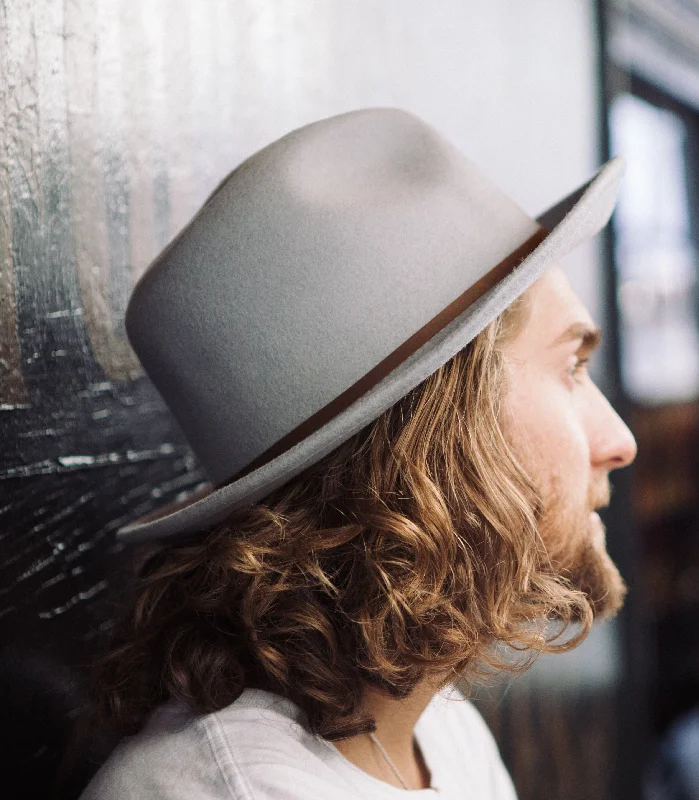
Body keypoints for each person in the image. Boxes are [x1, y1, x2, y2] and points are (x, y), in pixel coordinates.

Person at [78, 108, 636, 799]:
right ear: (437, 442)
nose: (620, 442)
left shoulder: (439, 730)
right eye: (571, 368)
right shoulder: (228, 792)